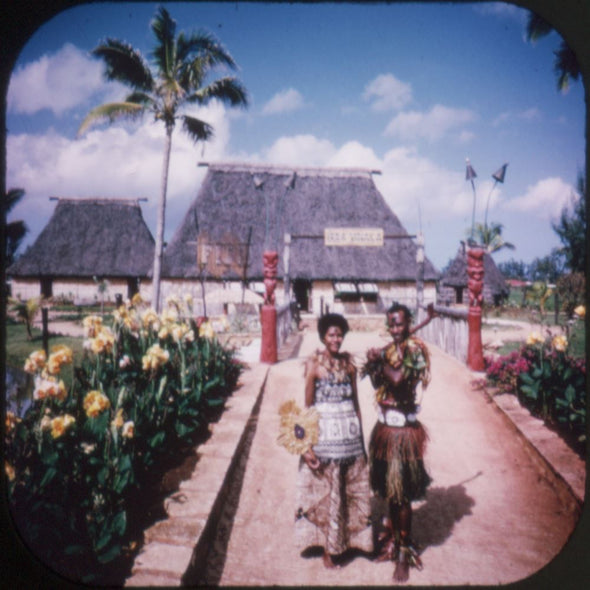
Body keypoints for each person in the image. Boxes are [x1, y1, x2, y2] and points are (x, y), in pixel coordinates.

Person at [363, 302, 434, 582]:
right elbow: (378, 385)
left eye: (400, 324)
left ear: (408, 323)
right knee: (389, 491)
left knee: (401, 493)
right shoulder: (391, 350)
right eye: (391, 324)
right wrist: (371, 365)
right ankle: (393, 540)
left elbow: (397, 379)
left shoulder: (416, 351)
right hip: (385, 429)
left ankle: (404, 552)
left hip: (404, 432)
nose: (395, 329)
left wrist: (379, 360)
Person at [295, 313, 373, 568]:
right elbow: (307, 407)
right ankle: (329, 549)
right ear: (322, 336)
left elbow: (356, 404)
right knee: (328, 495)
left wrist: (361, 443)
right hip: (324, 441)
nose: (336, 339)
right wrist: (306, 446)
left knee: (347, 492)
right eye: (331, 334)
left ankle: (346, 542)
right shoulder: (314, 366)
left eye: (339, 334)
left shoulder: (349, 366)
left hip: (349, 442)